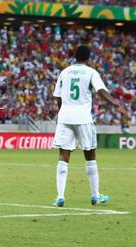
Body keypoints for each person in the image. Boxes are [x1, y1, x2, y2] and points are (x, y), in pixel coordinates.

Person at [52, 45, 129, 207]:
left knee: (63, 157)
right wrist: (117, 105)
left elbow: (58, 98)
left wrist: (62, 113)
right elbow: (101, 91)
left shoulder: (64, 72)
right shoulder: (91, 72)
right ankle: (95, 196)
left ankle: (60, 196)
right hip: (83, 118)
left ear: (75, 57)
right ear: (88, 58)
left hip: (65, 117)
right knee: (90, 156)